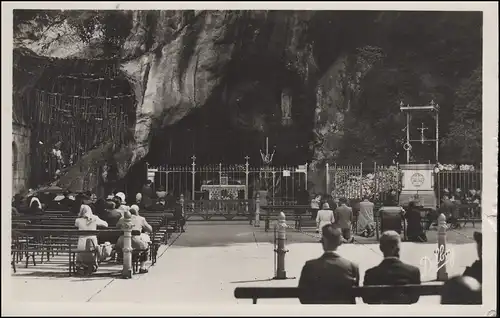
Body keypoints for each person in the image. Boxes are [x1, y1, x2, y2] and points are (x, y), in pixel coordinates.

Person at [298, 224, 359, 304]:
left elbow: (302, 295)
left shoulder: (310, 266)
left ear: (322, 241)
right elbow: (354, 295)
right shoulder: (352, 267)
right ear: (340, 242)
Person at [362, 231, 421, 304]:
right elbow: (414, 298)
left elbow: (366, 299)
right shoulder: (413, 272)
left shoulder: (370, 274)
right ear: (398, 248)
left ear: (381, 248)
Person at [116, 209, 153, 274]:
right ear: (137, 212)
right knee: (146, 246)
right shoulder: (141, 219)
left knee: (121, 248)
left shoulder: (122, 219)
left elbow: (117, 227)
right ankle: (142, 266)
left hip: (122, 242)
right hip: (136, 242)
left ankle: (124, 265)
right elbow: (150, 229)